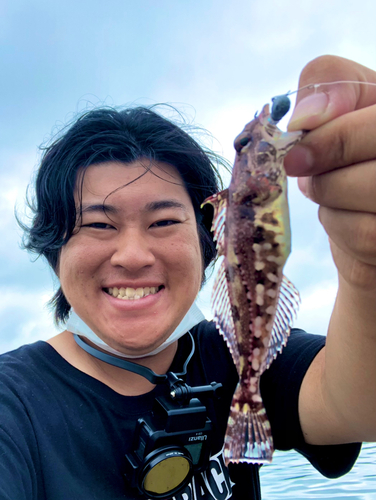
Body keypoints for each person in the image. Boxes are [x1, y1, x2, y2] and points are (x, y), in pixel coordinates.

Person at [1, 54, 375, 500]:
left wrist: (363, 270)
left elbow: (357, 404)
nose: (134, 256)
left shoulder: (235, 351)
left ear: (207, 241)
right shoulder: (14, 407)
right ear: (54, 248)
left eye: (163, 222)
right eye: (100, 225)